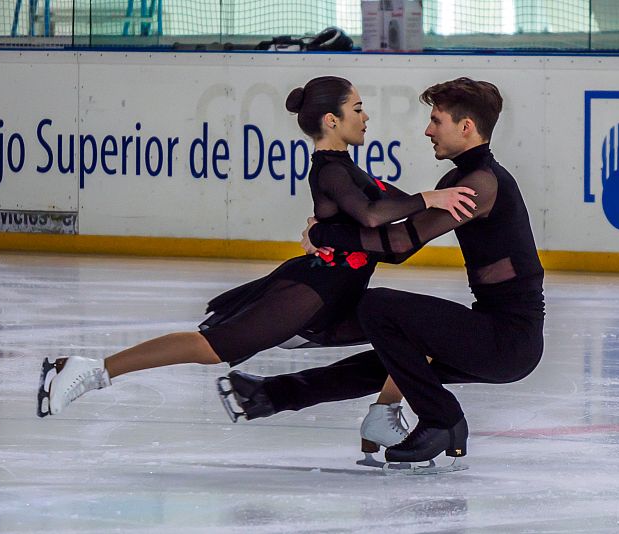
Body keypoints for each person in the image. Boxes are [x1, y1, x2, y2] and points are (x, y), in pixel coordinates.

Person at [36, 75, 477, 457]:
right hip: (311, 293)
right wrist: (428, 198)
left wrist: (424, 208)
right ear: (332, 120)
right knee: (212, 347)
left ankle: (383, 413)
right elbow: (372, 215)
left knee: (412, 332)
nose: (366, 117)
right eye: (357, 109)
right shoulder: (330, 171)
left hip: (341, 296)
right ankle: (91, 370)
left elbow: (393, 230)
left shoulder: (349, 170)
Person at [219, 77, 545, 465]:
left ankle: (443, 420)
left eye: (436, 121)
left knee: (377, 307)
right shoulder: (459, 180)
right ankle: (269, 395)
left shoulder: (480, 184)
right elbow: (399, 246)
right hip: (496, 331)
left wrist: (324, 233)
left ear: (466, 127)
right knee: (389, 359)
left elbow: (398, 244)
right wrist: (335, 234)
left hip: (509, 339)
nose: (427, 131)